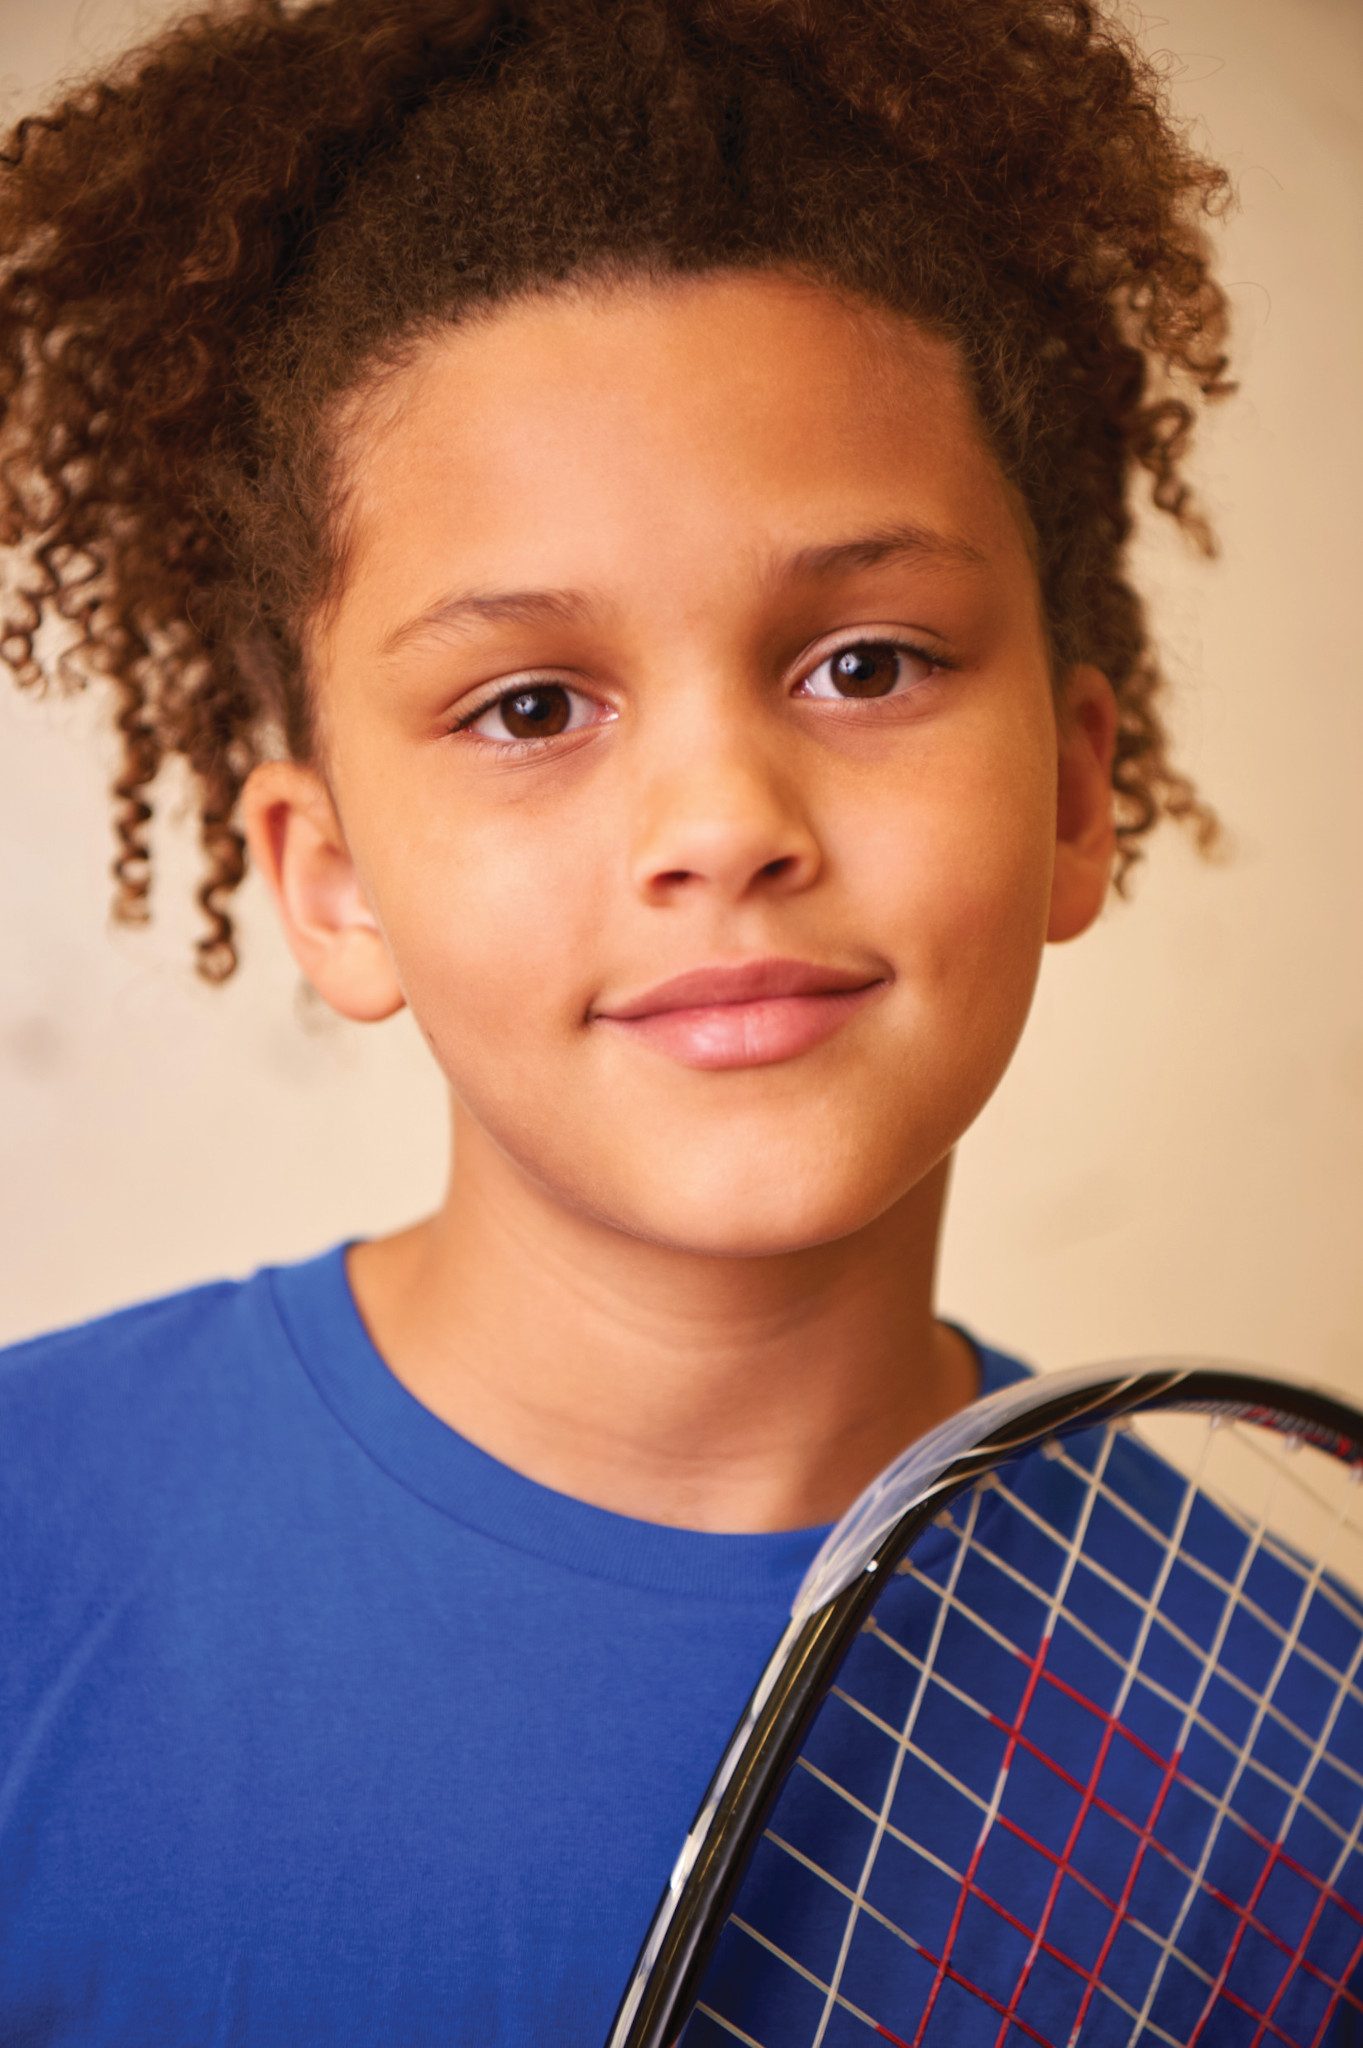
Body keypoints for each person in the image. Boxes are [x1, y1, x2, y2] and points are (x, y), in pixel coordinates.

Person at [0, 0, 1274, 2039]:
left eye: (864, 663)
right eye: (528, 706)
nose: (721, 827)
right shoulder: (27, 1562)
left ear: (1068, 786)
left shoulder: (1287, 1734)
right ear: (329, 877)